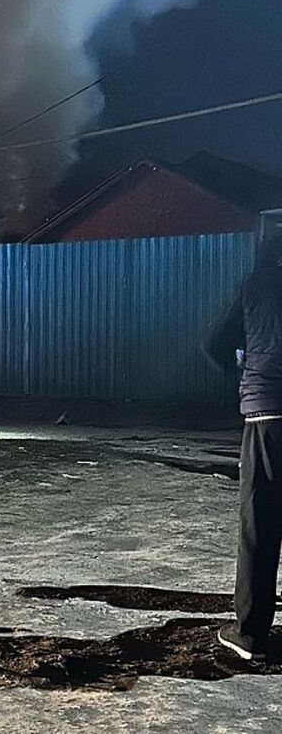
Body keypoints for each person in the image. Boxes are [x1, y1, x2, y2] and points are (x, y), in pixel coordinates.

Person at [207, 235, 282, 661]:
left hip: (266, 415)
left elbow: (214, 344)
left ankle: (250, 634)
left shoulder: (255, 285)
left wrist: (243, 370)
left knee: (259, 524)